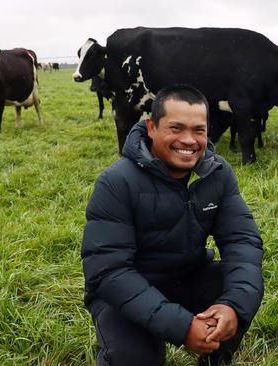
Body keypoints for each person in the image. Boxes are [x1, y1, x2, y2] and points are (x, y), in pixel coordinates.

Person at [81, 84, 264, 366]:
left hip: (188, 276)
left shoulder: (217, 173)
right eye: (176, 128)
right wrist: (182, 327)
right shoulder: (116, 182)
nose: (189, 140)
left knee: (239, 286)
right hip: (126, 290)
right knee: (133, 358)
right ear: (151, 127)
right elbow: (107, 271)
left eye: (199, 130)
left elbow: (242, 241)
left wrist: (232, 307)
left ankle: (215, 353)